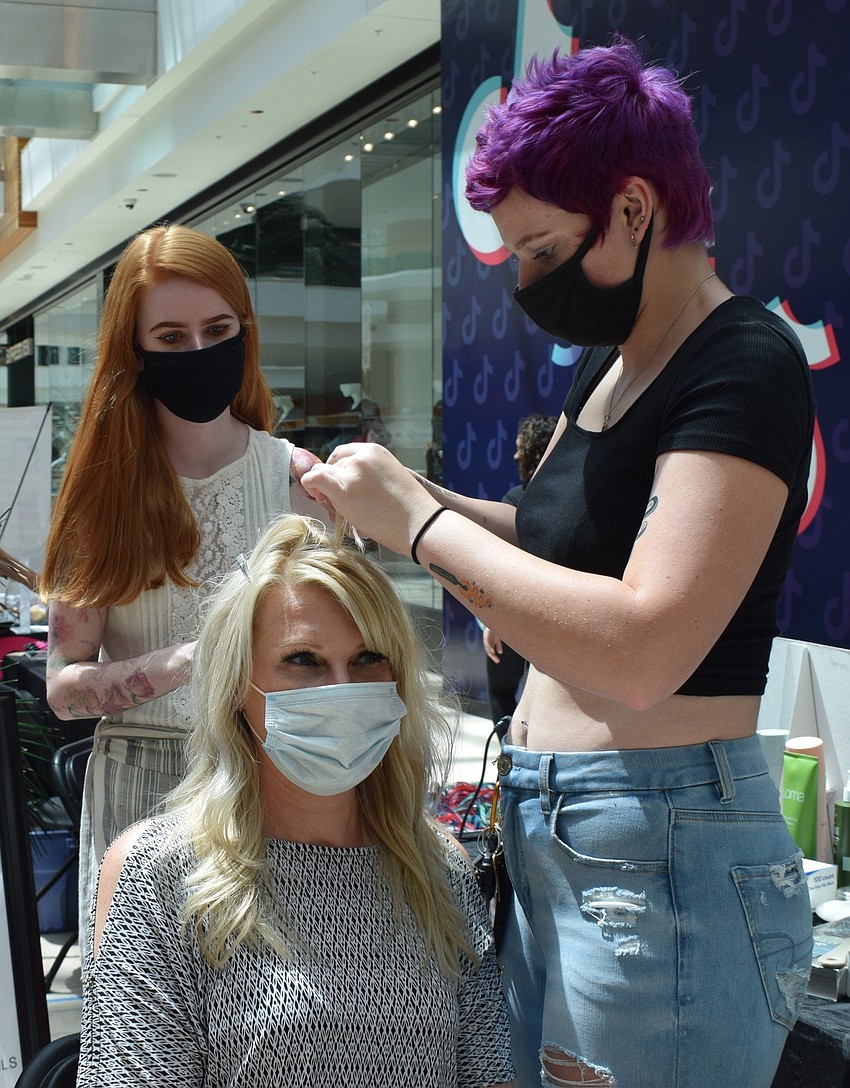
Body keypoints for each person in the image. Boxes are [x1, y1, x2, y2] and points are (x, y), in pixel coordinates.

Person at [299, 38, 816, 1088]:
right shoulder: (614, 365)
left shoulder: (741, 361)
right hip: (567, 836)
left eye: (539, 249)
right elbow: (558, 549)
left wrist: (418, 528)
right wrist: (406, 493)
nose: (526, 283)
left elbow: (641, 644)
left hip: (657, 852)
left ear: (632, 210)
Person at [76, 514, 514, 1088]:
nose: (342, 688)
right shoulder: (161, 874)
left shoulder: (440, 869)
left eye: (367, 660)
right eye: (303, 660)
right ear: (237, 685)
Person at [39, 223, 326, 946]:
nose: (198, 351)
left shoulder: (298, 484)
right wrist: (194, 659)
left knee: (274, 1038)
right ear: (132, 352)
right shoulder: (103, 496)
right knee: (143, 1040)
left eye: (217, 328)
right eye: (170, 337)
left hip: (277, 785)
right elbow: (64, 686)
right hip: (139, 789)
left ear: (244, 331)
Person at [481, 413, 556, 724]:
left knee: (501, 690)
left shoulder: (516, 500)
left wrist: (494, 619)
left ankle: (509, 765)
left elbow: (499, 566)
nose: (514, 455)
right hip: (555, 618)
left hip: (518, 614)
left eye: (520, 447)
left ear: (534, 451)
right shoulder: (574, 498)